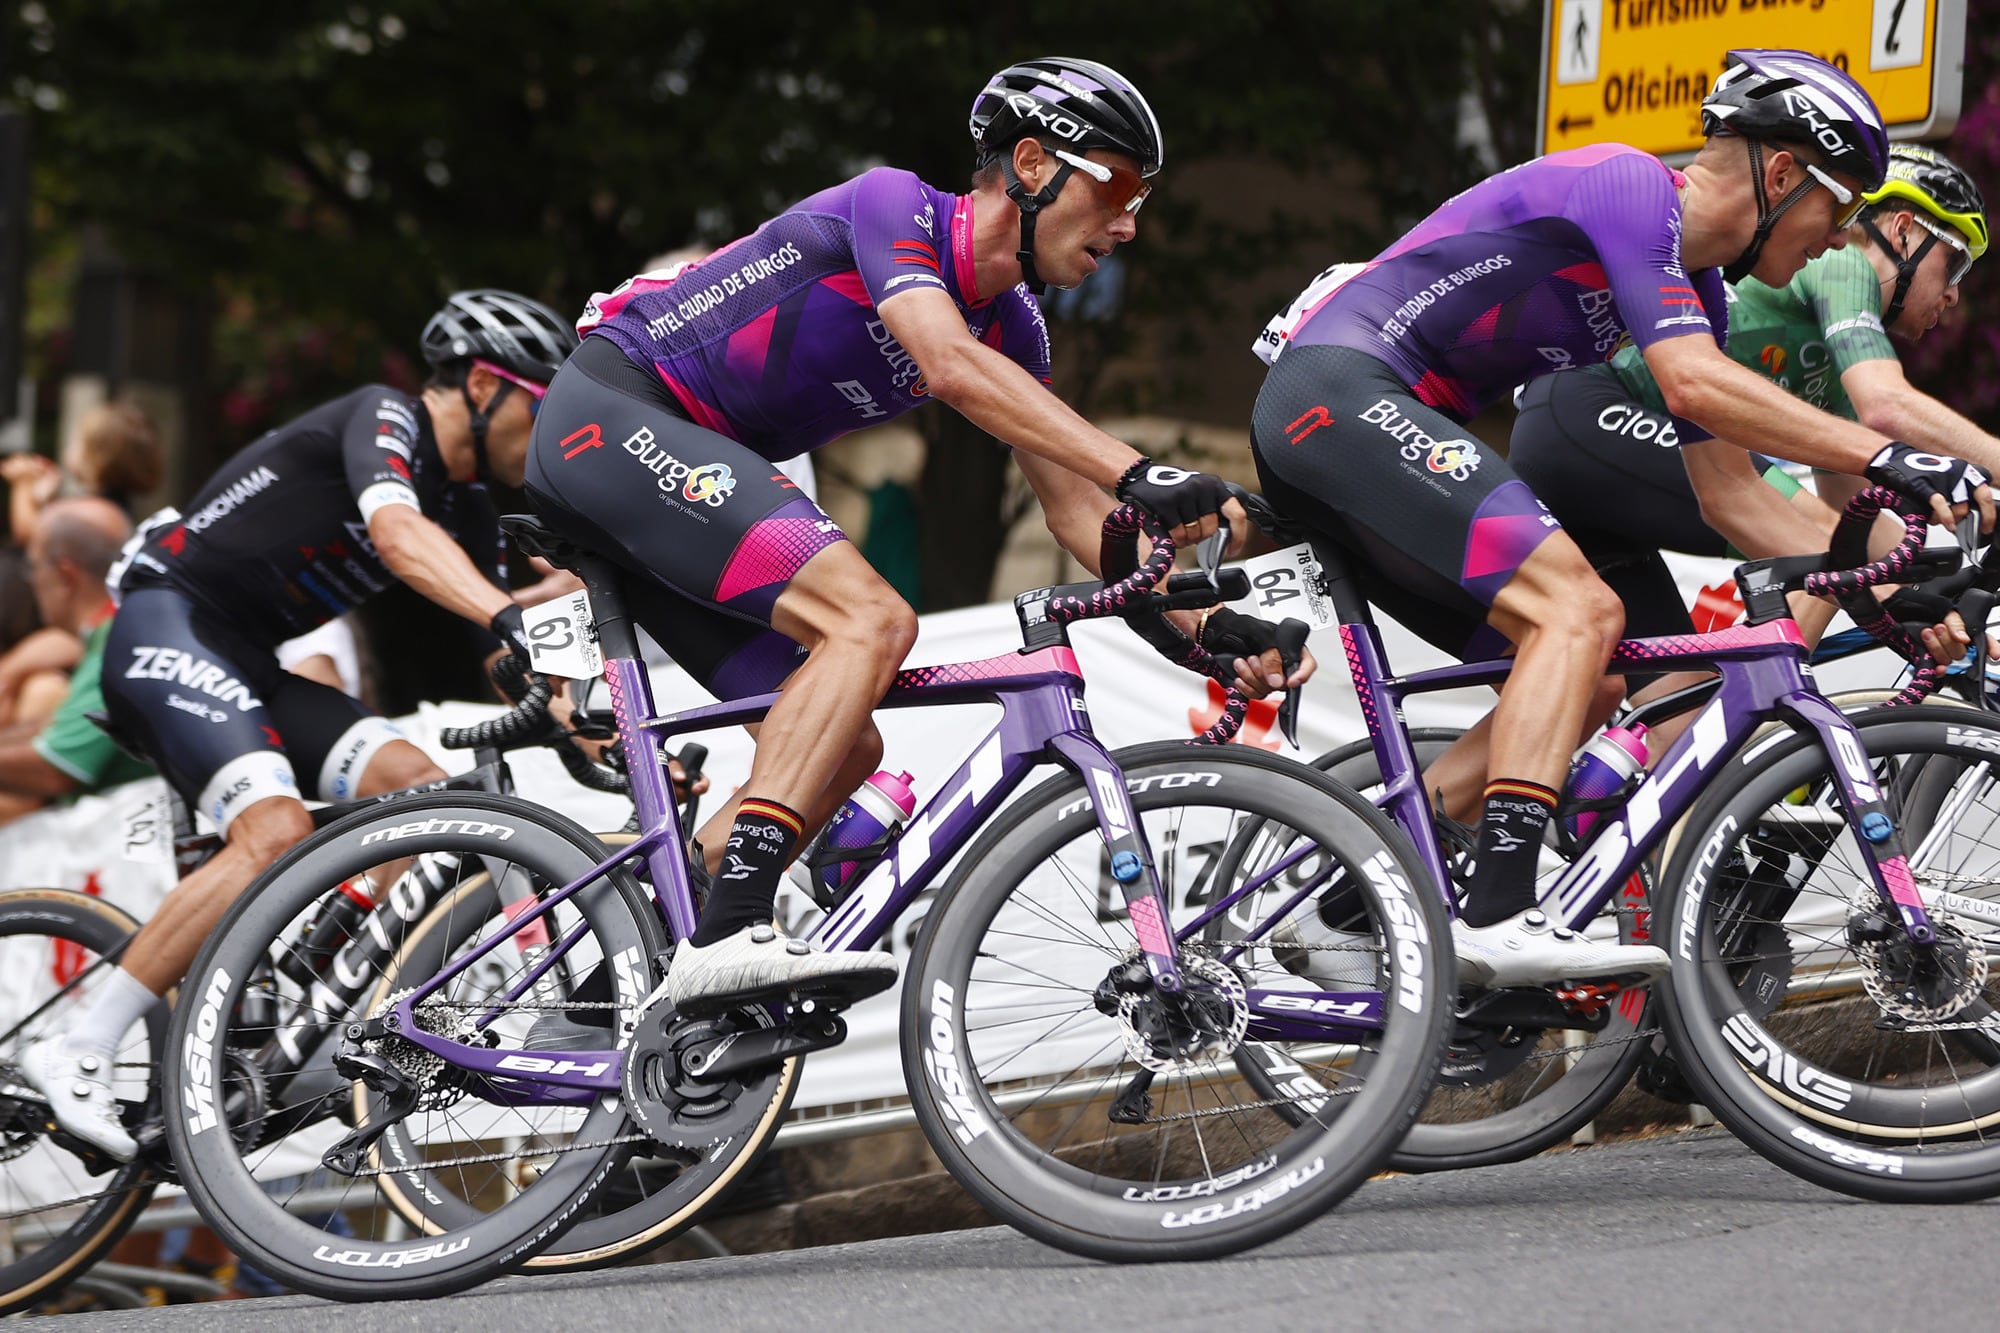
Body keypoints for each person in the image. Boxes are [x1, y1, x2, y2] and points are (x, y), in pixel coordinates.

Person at [527, 56, 1297, 1014]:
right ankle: (729, 935)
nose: (1131, 223)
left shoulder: (1013, 324)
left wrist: (1208, 637)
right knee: (871, 621)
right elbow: (944, 365)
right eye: (1121, 186)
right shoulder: (896, 208)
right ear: (1030, 162)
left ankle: (623, 977)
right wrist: (1139, 468)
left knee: (837, 753)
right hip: (612, 415)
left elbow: (1073, 515)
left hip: (673, 478)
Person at [1247, 50, 1989, 988]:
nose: (1838, 242)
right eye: (1838, 211)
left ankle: (1354, 897)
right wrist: (1883, 454)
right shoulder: (1632, 186)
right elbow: (1690, 383)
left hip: (1367, 419)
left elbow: (1735, 497)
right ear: (1783, 172)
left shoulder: (1700, 292)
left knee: (1587, 673)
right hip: (1340, 391)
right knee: (1581, 612)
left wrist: (1892, 604)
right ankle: (1503, 915)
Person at [19, 290, 579, 1160]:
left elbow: (504, 654)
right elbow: (398, 536)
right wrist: (509, 611)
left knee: (424, 791)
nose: (549, 430)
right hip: (170, 625)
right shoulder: (386, 416)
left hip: (248, 661)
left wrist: (590, 736)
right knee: (272, 830)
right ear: (481, 383)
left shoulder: (465, 500)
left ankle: (333, 984)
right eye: (543, 405)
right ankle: (77, 1048)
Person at [1509, 142, 1995, 664]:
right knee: (1832, 557)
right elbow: (1887, 407)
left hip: (1593, 460)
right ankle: (1776, 719)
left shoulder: (1834, 354)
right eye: (1956, 265)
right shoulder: (1845, 263)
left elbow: (1850, 504)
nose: (1952, 296)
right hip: (1588, 410)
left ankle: (1745, 735)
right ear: (1903, 231)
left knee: (1678, 717)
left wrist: (1938, 581)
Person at [0, 497, 149, 825]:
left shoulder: (119, 643)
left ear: (66, 576)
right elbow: (60, 727)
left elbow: (56, 767)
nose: (32, 580)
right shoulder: (116, 630)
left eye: (33, 566)